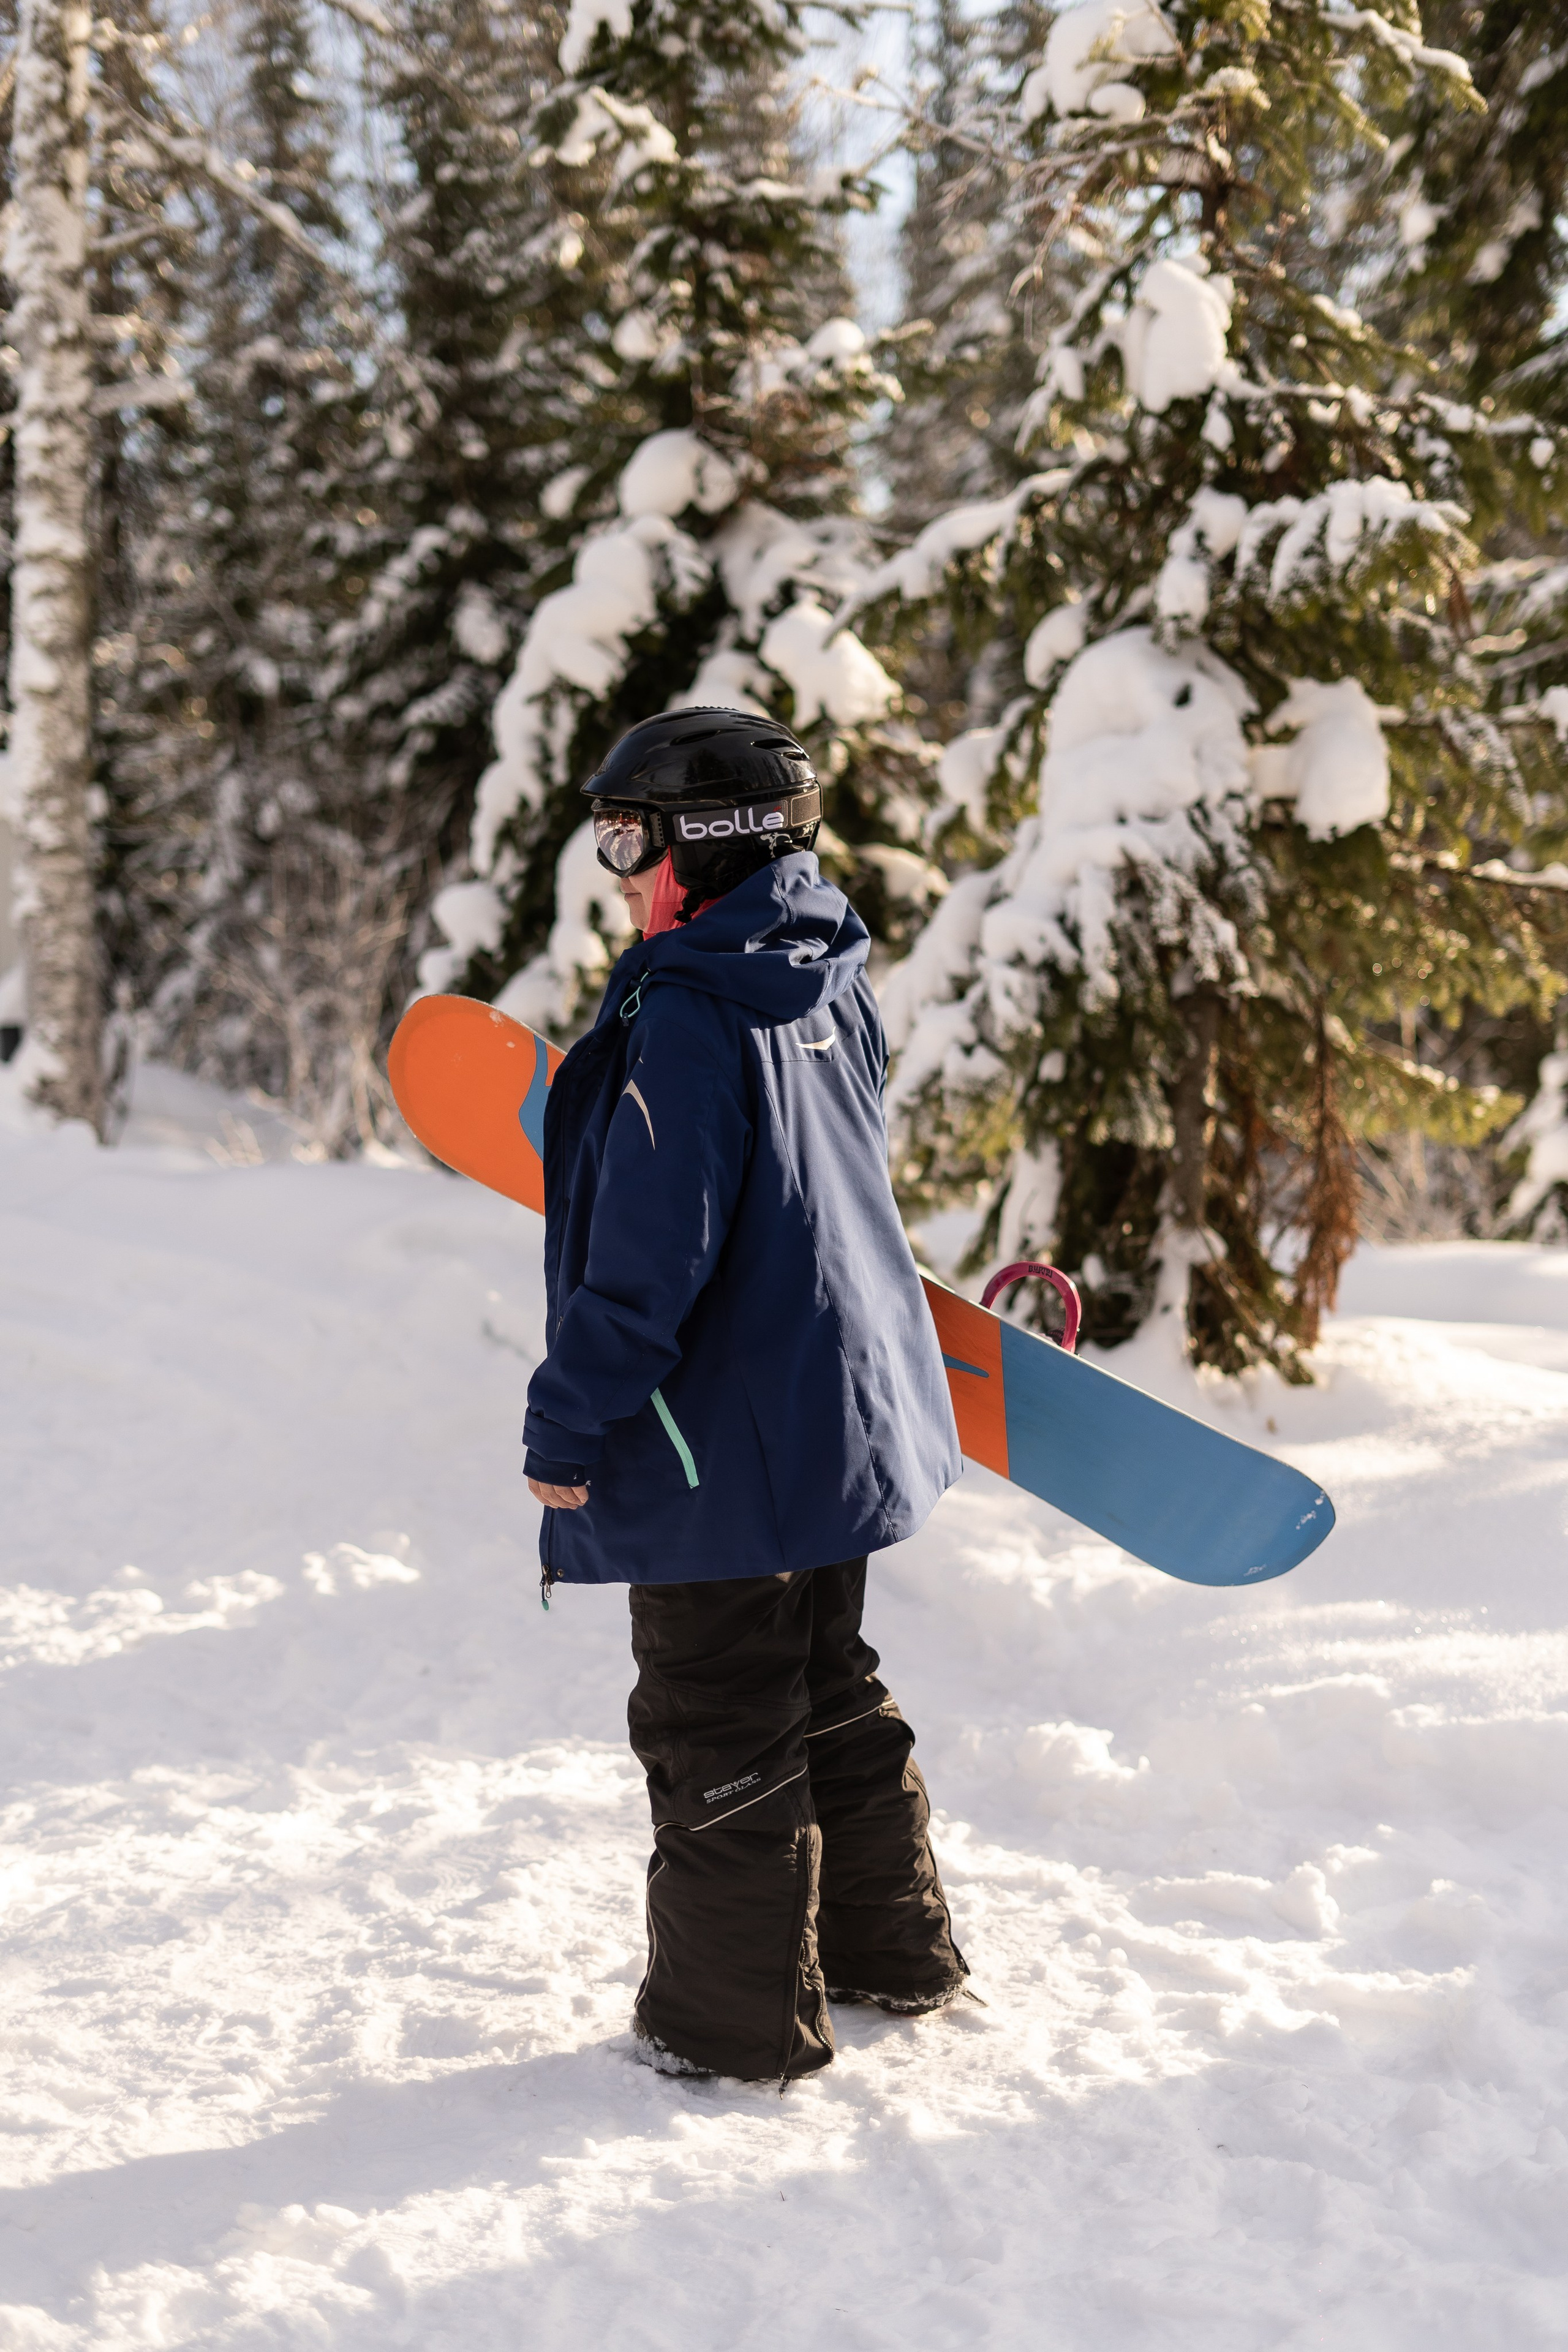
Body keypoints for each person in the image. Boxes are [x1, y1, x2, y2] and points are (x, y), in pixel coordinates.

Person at [522, 707, 968, 2083]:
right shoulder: (822, 965)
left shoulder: (694, 1013)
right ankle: (888, 1956)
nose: (616, 871)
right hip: (839, 1419)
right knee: (828, 1681)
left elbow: (650, 1259)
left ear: (702, 846)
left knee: (716, 1717)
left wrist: (570, 1417)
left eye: (626, 839)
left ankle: (725, 2032)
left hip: (721, 1439)